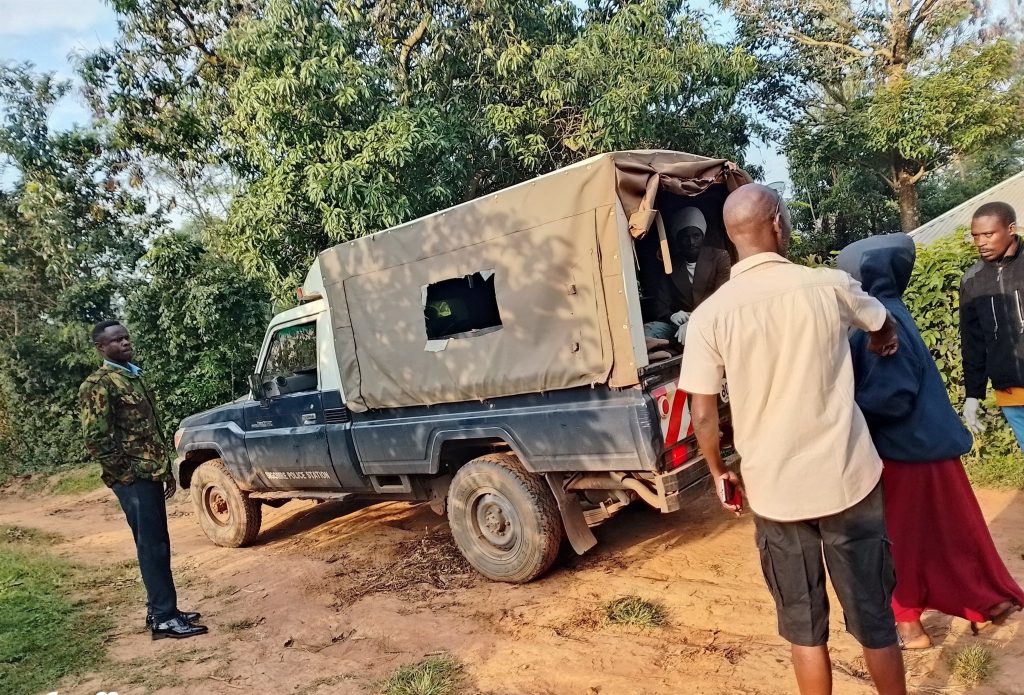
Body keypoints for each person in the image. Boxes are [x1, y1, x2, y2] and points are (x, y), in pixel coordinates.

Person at [679, 184, 907, 695]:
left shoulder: (711, 316)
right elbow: (880, 319)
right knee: (874, 619)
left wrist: (718, 472)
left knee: (804, 631)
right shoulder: (827, 284)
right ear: (778, 225)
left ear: (731, 238)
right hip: (847, 477)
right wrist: (880, 337)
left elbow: (702, 409)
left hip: (776, 492)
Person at [838, 233, 1023, 649]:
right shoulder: (895, 311)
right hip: (933, 445)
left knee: (899, 538)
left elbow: (893, 393)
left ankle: (908, 624)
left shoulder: (876, 319)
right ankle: (985, 600)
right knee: (953, 532)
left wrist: (846, 411)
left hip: (900, 452)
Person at [80, 320, 208, 640]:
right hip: (134, 478)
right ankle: (164, 619)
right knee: (152, 547)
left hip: (148, 473)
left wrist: (163, 471)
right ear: (100, 348)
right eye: (115, 340)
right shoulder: (100, 383)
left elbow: (149, 432)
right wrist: (126, 475)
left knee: (157, 544)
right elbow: (96, 438)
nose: (124, 343)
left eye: (125, 337)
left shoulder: (132, 376)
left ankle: (163, 609)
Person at [960, 202, 1024, 448]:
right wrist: (973, 394)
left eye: (988, 234)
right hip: (1010, 393)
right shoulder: (972, 281)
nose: (980, 242)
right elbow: (973, 343)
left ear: (1011, 228)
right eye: (975, 236)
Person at [644, 206, 731, 342]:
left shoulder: (720, 257)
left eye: (696, 236)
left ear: (703, 236)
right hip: (679, 327)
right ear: (678, 240)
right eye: (685, 237)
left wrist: (695, 321)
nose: (691, 242)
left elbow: (721, 298)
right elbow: (661, 304)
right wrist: (672, 316)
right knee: (648, 331)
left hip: (713, 321)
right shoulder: (670, 265)